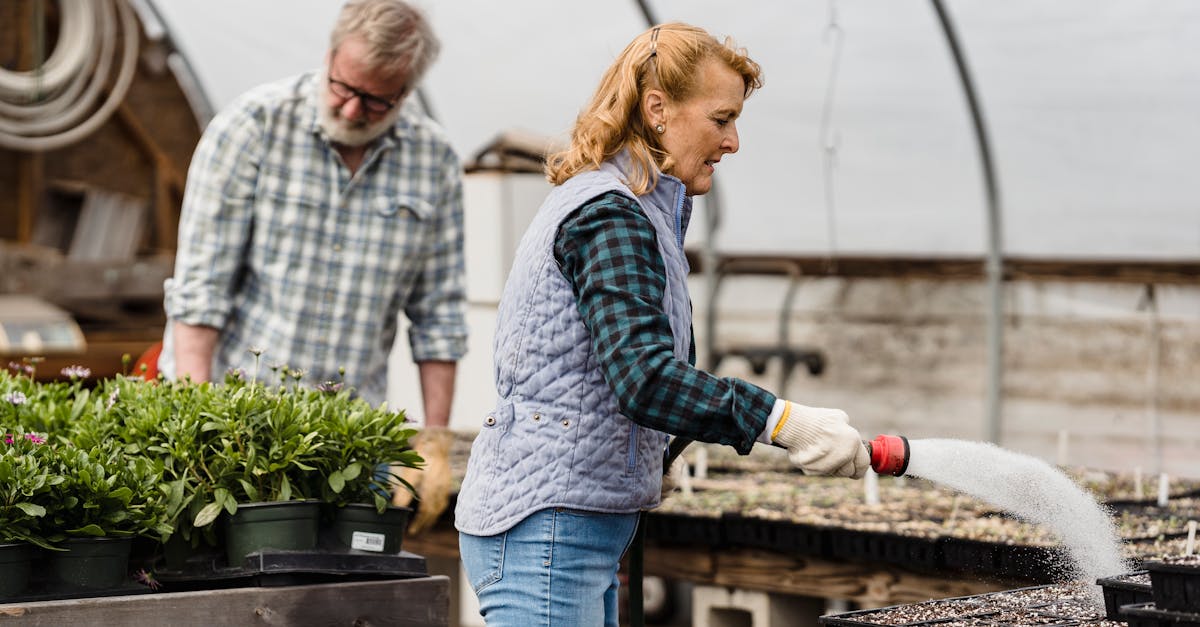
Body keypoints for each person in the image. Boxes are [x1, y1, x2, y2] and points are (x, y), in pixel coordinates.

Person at [454, 22, 871, 624]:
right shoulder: (611, 216)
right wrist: (783, 421)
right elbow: (645, 378)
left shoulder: (638, 210)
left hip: (568, 528)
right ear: (657, 109)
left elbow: (606, 371)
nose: (733, 142)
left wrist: (654, 454)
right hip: (547, 531)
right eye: (721, 119)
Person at [159, 0, 463, 534]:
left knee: (344, 597)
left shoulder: (432, 161)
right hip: (240, 428)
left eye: (375, 100)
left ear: (406, 92)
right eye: (343, 86)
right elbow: (199, 294)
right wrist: (197, 427)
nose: (351, 110)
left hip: (352, 438)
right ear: (329, 55)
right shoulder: (252, 127)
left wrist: (434, 441)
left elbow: (439, 316)